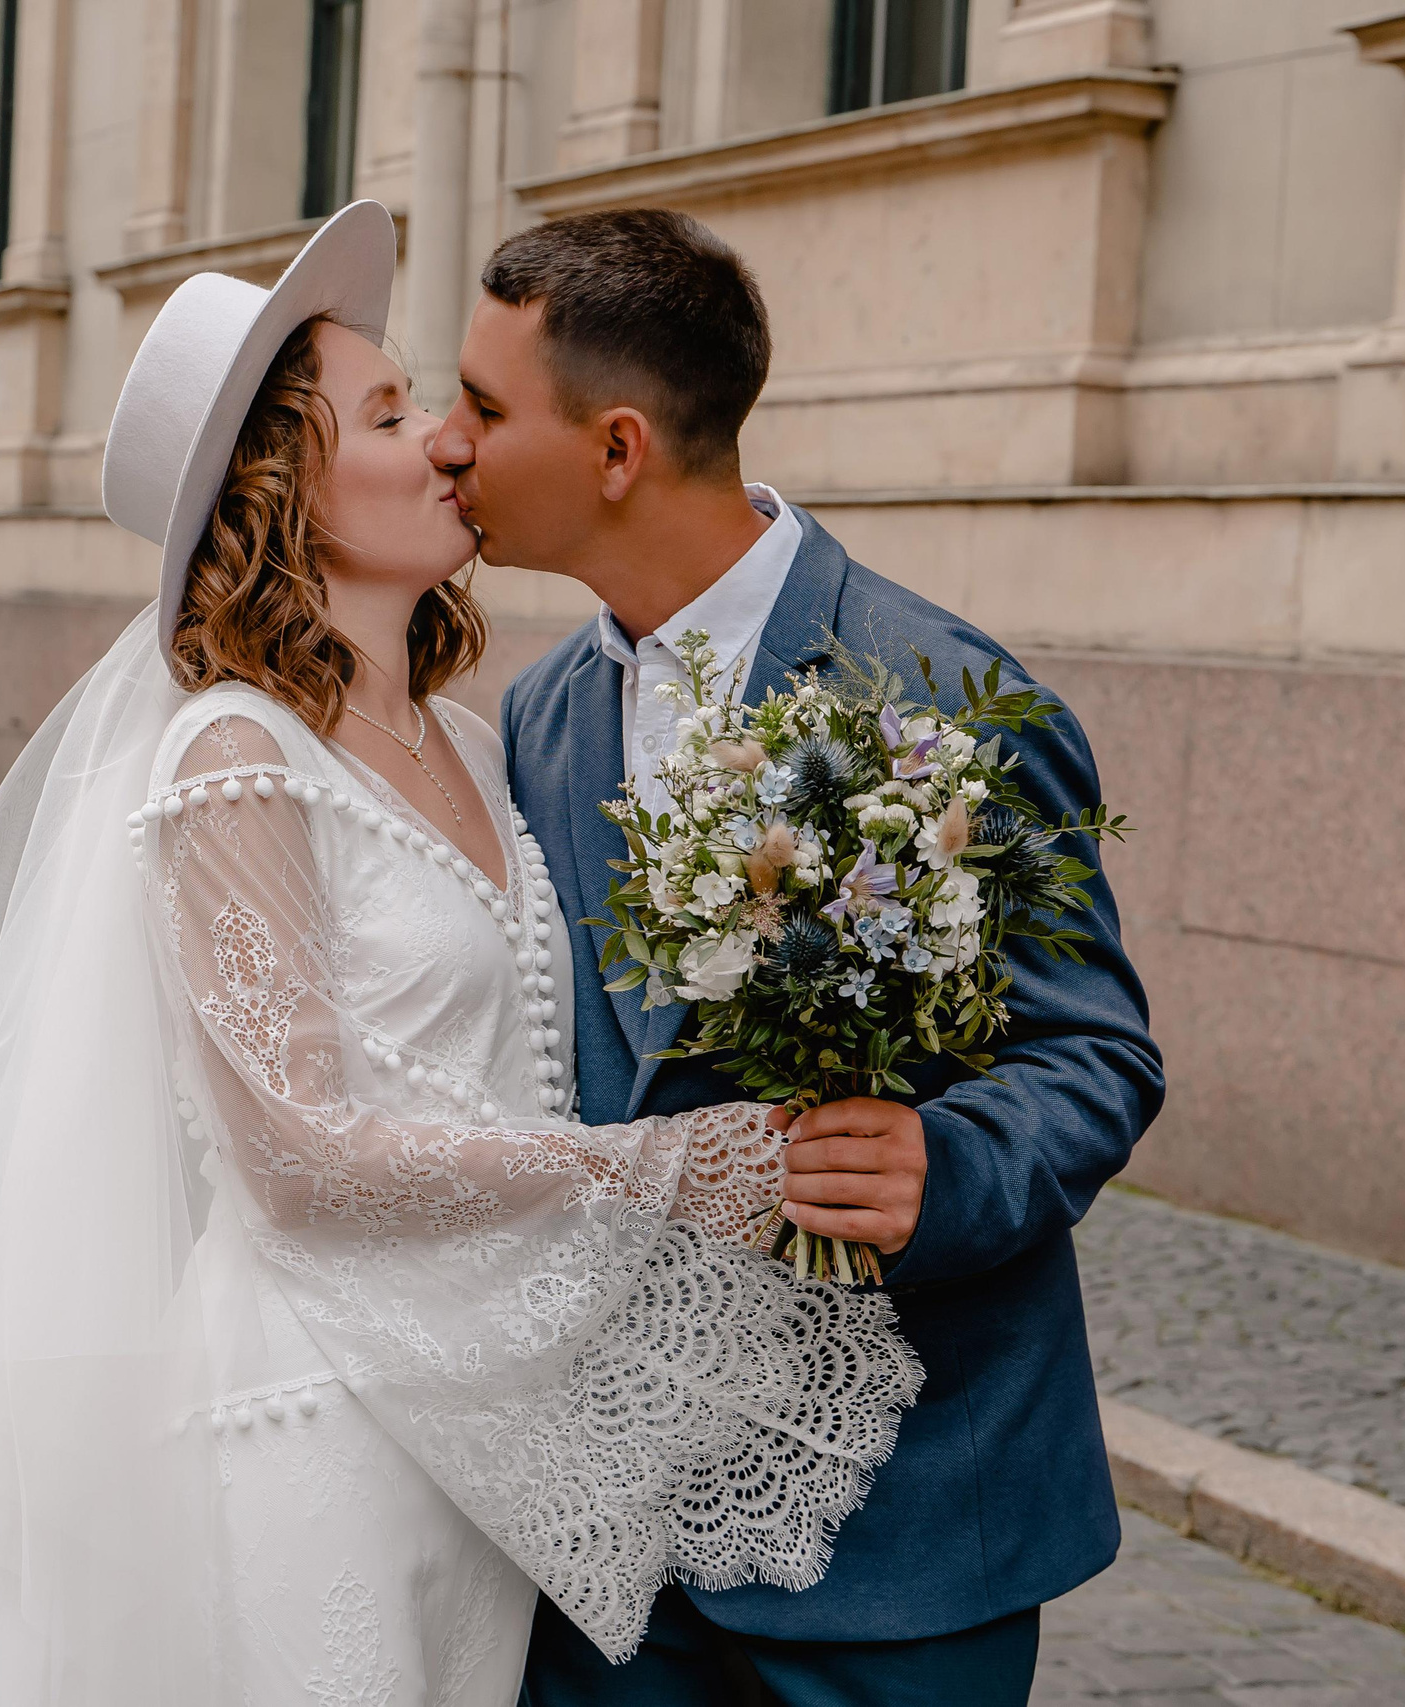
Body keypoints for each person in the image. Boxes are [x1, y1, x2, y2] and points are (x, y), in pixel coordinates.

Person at [0, 202, 922, 1707]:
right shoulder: (234, 756)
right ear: (287, 489)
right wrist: (671, 1171)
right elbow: (292, 1153)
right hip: (310, 1423)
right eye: (396, 413)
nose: (450, 444)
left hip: (471, 1433)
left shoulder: (483, 741)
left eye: (448, 406)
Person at [433, 207, 1166, 1706]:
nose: (448, 443)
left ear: (618, 448)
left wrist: (941, 1165)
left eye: (484, 407)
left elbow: (1094, 1053)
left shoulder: (947, 696)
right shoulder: (543, 710)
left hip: (903, 1539)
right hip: (614, 1541)